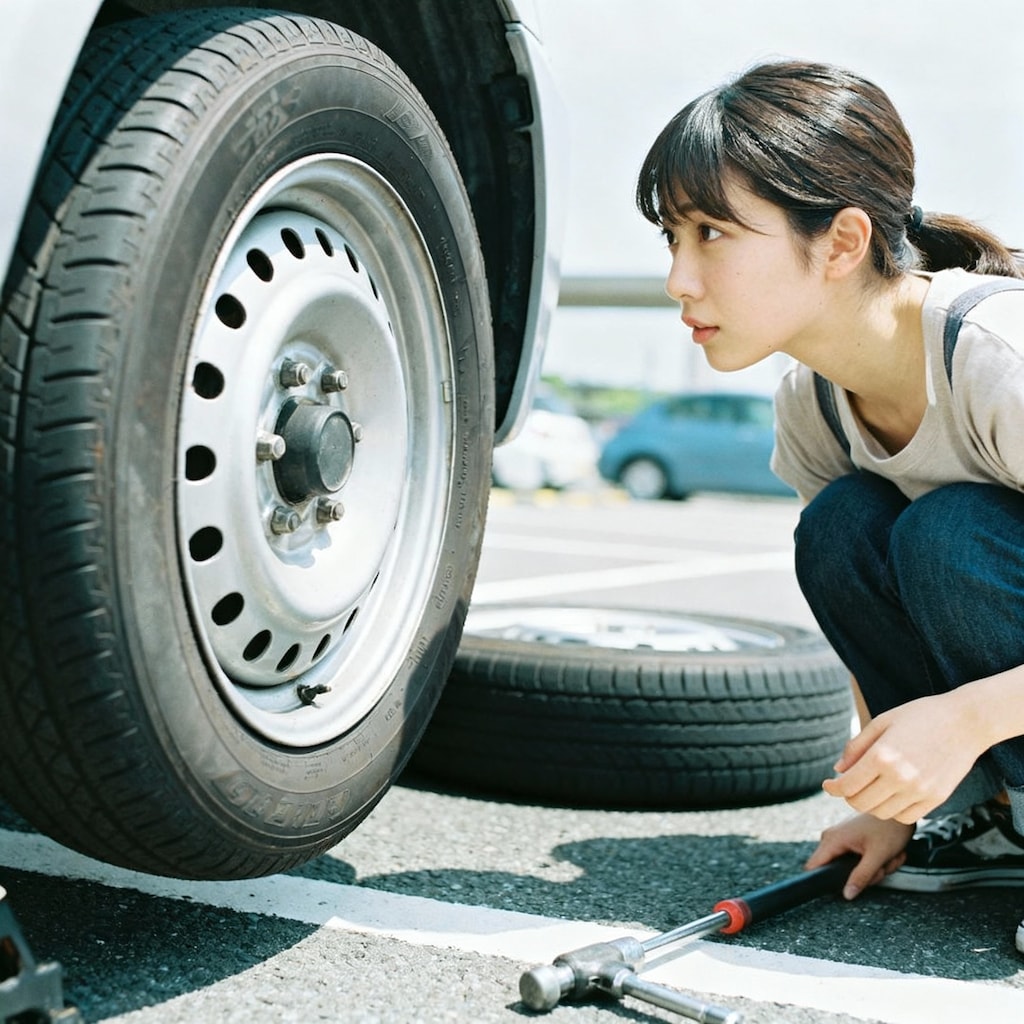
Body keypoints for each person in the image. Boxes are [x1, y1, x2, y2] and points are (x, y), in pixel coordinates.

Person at [636, 59, 1024, 952]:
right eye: (670, 239)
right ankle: (991, 818)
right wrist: (885, 802)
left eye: (711, 234)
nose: (678, 281)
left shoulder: (996, 358)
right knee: (843, 524)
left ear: (843, 242)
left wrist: (965, 721)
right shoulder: (811, 406)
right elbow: (860, 615)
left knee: (951, 533)